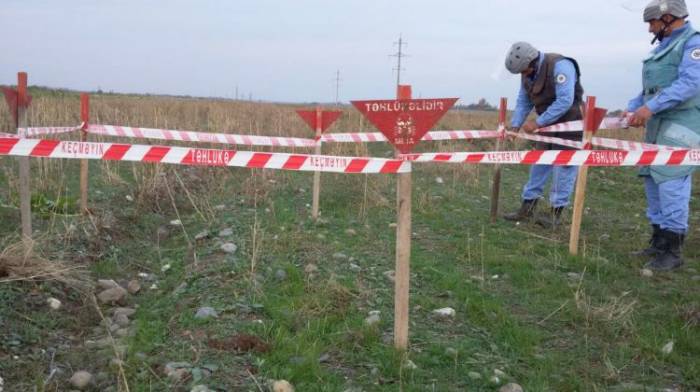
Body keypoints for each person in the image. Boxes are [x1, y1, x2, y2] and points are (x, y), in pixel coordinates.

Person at [626, 0, 700, 271]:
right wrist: (633, 109)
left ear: (667, 18)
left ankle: (673, 249)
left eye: (652, 22)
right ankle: (658, 241)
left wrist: (650, 108)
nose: (649, 29)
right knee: (651, 177)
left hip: (682, 124)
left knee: (671, 182)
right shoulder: (663, 47)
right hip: (658, 125)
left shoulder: (693, 44)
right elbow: (651, 89)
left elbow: (691, 84)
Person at [503, 42, 584, 228]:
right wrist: (515, 125)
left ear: (531, 62)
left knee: (564, 169)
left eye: (524, 71)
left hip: (570, 124)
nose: (523, 75)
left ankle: (556, 214)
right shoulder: (527, 73)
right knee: (539, 165)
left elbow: (565, 100)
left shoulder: (561, 66)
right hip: (547, 127)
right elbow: (523, 101)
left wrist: (538, 122)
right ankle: (527, 208)